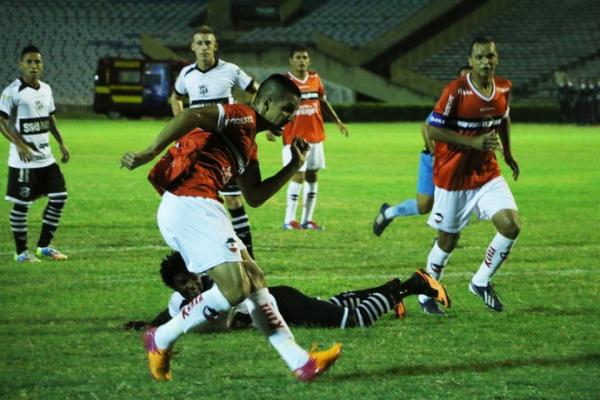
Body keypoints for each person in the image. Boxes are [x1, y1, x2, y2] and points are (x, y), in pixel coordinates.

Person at [120, 74, 341, 382]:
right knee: (235, 289)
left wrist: (294, 164)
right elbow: (192, 113)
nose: (290, 118)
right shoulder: (241, 116)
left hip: (206, 206)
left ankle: (301, 362)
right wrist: (149, 151)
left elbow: (255, 196)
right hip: (189, 204)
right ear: (265, 102)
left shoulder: (249, 144)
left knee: (255, 280)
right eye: (287, 108)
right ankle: (162, 338)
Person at [418, 37, 521, 315]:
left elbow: (504, 119)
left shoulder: (504, 87)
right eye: (480, 57)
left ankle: (480, 281)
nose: (486, 61)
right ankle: (427, 292)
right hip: (453, 175)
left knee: (511, 226)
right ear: (471, 60)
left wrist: (508, 154)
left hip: (486, 173)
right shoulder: (455, 91)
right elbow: (433, 130)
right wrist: (473, 142)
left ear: (496, 58)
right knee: (448, 240)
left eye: (490, 56)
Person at [123, 251, 451, 332]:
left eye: (192, 276)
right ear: (175, 287)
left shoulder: (214, 285)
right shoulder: (181, 301)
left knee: (356, 322)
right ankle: (389, 291)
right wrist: (148, 326)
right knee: (334, 304)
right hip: (277, 307)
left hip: (283, 304)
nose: (192, 284)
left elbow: (215, 320)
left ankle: (413, 285)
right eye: (184, 283)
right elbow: (170, 314)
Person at [171, 25, 259, 257]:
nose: (204, 47)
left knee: (234, 201)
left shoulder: (230, 70)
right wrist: (181, 125)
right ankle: (207, 252)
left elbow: (256, 91)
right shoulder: (186, 74)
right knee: (197, 200)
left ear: (215, 46)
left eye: (208, 42)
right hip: (197, 147)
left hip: (225, 146)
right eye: (199, 43)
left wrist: (257, 120)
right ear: (192, 47)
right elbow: (175, 97)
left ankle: (248, 254)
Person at [373, 65, 472, 236]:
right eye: (462, 81)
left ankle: (443, 240)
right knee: (424, 205)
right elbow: (425, 128)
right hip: (433, 159)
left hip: (455, 162)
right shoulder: (449, 103)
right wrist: (434, 153)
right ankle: (388, 213)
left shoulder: (478, 108)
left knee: (455, 201)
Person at [0, 45, 70, 262]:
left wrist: (61, 143)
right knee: (22, 205)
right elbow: (1, 122)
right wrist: (20, 145)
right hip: (23, 162)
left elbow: (50, 119)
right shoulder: (12, 92)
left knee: (59, 197)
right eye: (29, 62)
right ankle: (21, 253)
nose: (33, 66)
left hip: (46, 158)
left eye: (37, 62)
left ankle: (44, 247)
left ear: (42, 65)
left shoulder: (46, 89)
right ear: (21, 64)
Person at [269, 44, 348, 230]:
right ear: (291, 60)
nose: (302, 61)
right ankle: (289, 220)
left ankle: (307, 219)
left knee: (312, 175)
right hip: (294, 139)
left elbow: (323, 102)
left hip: (315, 136)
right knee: (298, 175)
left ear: (309, 60)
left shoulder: (315, 78)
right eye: (298, 57)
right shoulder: (285, 82)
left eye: (305, 57)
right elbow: (273, 106)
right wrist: (270, 128)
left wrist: (337, 121)